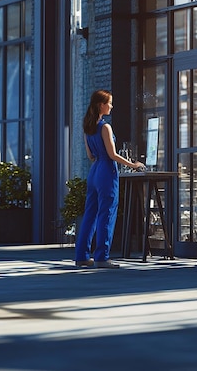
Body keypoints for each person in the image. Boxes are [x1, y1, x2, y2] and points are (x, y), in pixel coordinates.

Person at [75, 89, 145, 269]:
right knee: (106, 214)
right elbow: (112, 154)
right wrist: (133, 165)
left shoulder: (87, 127)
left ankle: (81, 256)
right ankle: (101, 258)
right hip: (106, 171)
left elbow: (90, 156)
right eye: (109, 103)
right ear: (101, 105)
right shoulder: (105, 127)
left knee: (89, 214)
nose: (112, 106)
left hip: (94, 172)